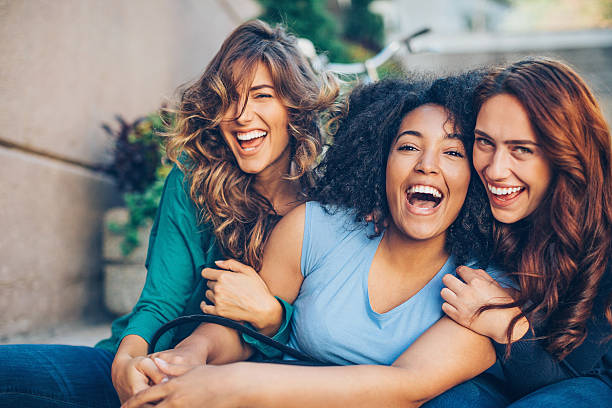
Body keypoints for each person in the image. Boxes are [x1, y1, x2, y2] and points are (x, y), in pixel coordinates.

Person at [0, 19, 338, 407]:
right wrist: (127, 361)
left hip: (250, 389)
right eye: (229, 98)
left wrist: (271, 317)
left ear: (295, 106)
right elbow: (161, 300)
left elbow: (328, 339)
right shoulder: (195, 180)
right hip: (159, 363)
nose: (241, 115)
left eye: (261, 95)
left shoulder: (328, 205)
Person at [122, 74, 513, 408]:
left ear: (476, 176)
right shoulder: (314, 228)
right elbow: (235, 331)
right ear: (380, 161)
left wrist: (236, 384)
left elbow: (406, 389)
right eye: (408, 146)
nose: (427, 164)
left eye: (453, 152)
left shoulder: (484, 288)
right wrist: (190, 356)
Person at [438, 58, 612, 406]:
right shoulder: (477, 204)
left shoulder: (601, 237)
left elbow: (572, 382)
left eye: (522, 149)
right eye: (484, 142)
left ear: (565, 153)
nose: (495, 169)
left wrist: (507, 326)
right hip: (499, 374)